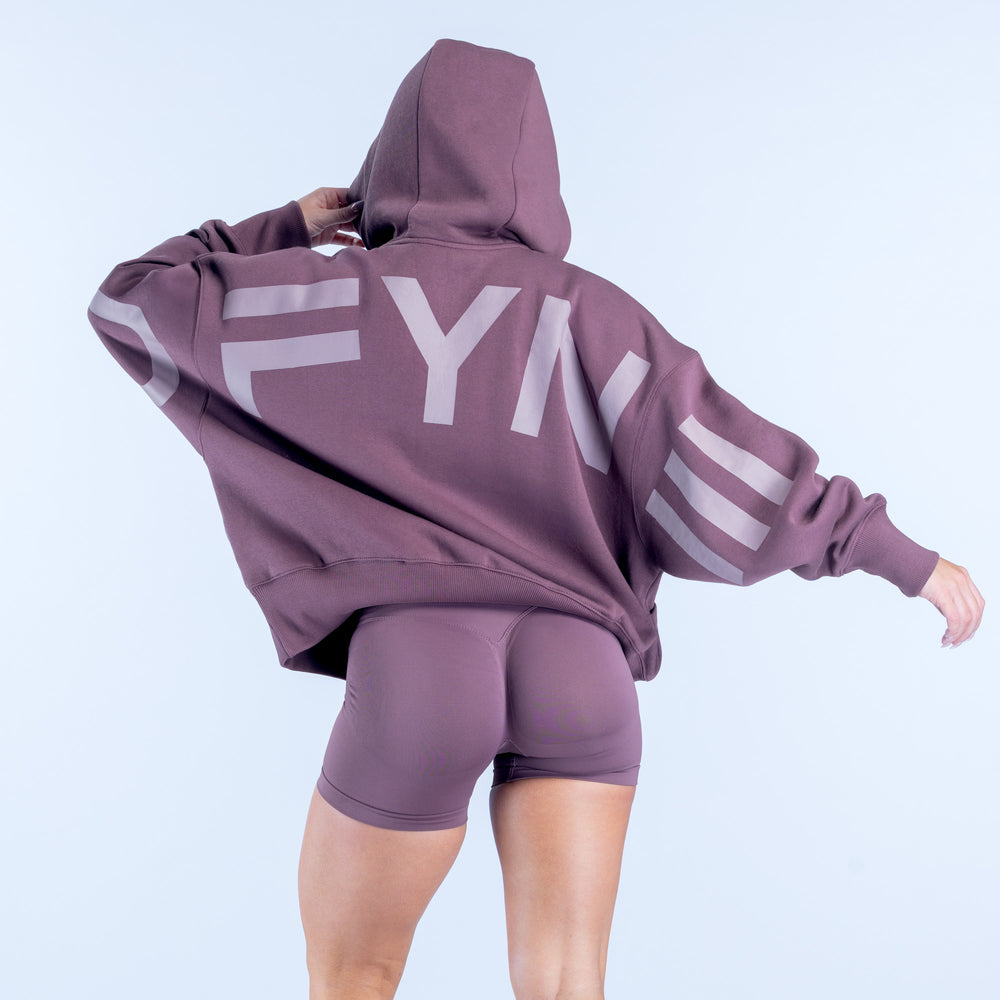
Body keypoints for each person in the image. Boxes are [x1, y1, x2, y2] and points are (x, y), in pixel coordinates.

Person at [87, 37, 983, 1000]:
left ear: (389, 158)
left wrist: (287, 227)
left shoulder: (328, 301)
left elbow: (130, 302)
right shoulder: (595, 315)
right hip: (581, 665)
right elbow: (728, 466)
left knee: (353, 975)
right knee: (565, 985)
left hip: (420, 664)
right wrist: (901, 558)